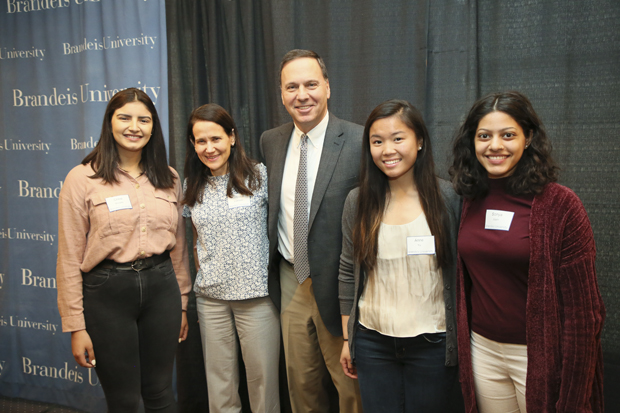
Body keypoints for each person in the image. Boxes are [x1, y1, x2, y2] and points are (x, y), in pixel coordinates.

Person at [450, 90, 605, 412]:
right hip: (483, 352)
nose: (495, 146)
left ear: (528, 137)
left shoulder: (561, 205)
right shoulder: (466, 199)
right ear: (472, 141)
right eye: (484, 136)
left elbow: (585, 315)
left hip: (539, 354)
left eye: (508, 135)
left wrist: (575, 392)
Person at [56, 88, 191, 412]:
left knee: (160, 394)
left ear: (153, 127)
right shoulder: (81, 178)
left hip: (162, 292)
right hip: (107, 296)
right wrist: (76, 326)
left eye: (144, 119)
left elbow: (180, 248)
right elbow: (70, 256)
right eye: (125, 118)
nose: (135, 127)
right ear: (110, 123)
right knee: (125, 400)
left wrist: (182, 304)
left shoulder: (169, 178)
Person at [338, 100, 462, 412]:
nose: (387, 149)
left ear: (419, 141)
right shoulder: (358, 201)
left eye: (398, 138)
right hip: (372, 342)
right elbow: (347, 272)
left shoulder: (448, 198)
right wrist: (347, 338)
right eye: (377, 141)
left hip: (432, 344)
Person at [259, 49, 363, 412]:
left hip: (340, 286)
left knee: (352, 390)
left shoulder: (359, 140)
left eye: (310, 84)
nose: (301, 95)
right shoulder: (270, 142)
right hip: (290, 280)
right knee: (301, 387)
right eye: (291, 87)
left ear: (328, 88)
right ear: (282, 94)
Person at [182, 103, 280, 413]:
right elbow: (198, 238)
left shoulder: (260, 176)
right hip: (211, 300)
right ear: (193, 144)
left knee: (263, 383)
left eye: (216, 139)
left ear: (232, 137)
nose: (209, 148)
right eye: (201, 141)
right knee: (219, 384)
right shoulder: (192, 186)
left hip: (257, 298)